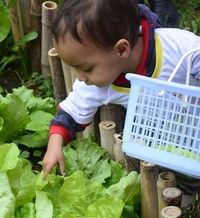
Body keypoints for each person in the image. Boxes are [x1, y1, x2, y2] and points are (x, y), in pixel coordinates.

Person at [42, 0, 200, 178]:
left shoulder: (178, 47)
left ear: (122, 49)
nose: (80, 77)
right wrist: (54, 144)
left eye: (86, 68)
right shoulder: (100, 85)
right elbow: (71, 112)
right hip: (173, 151)